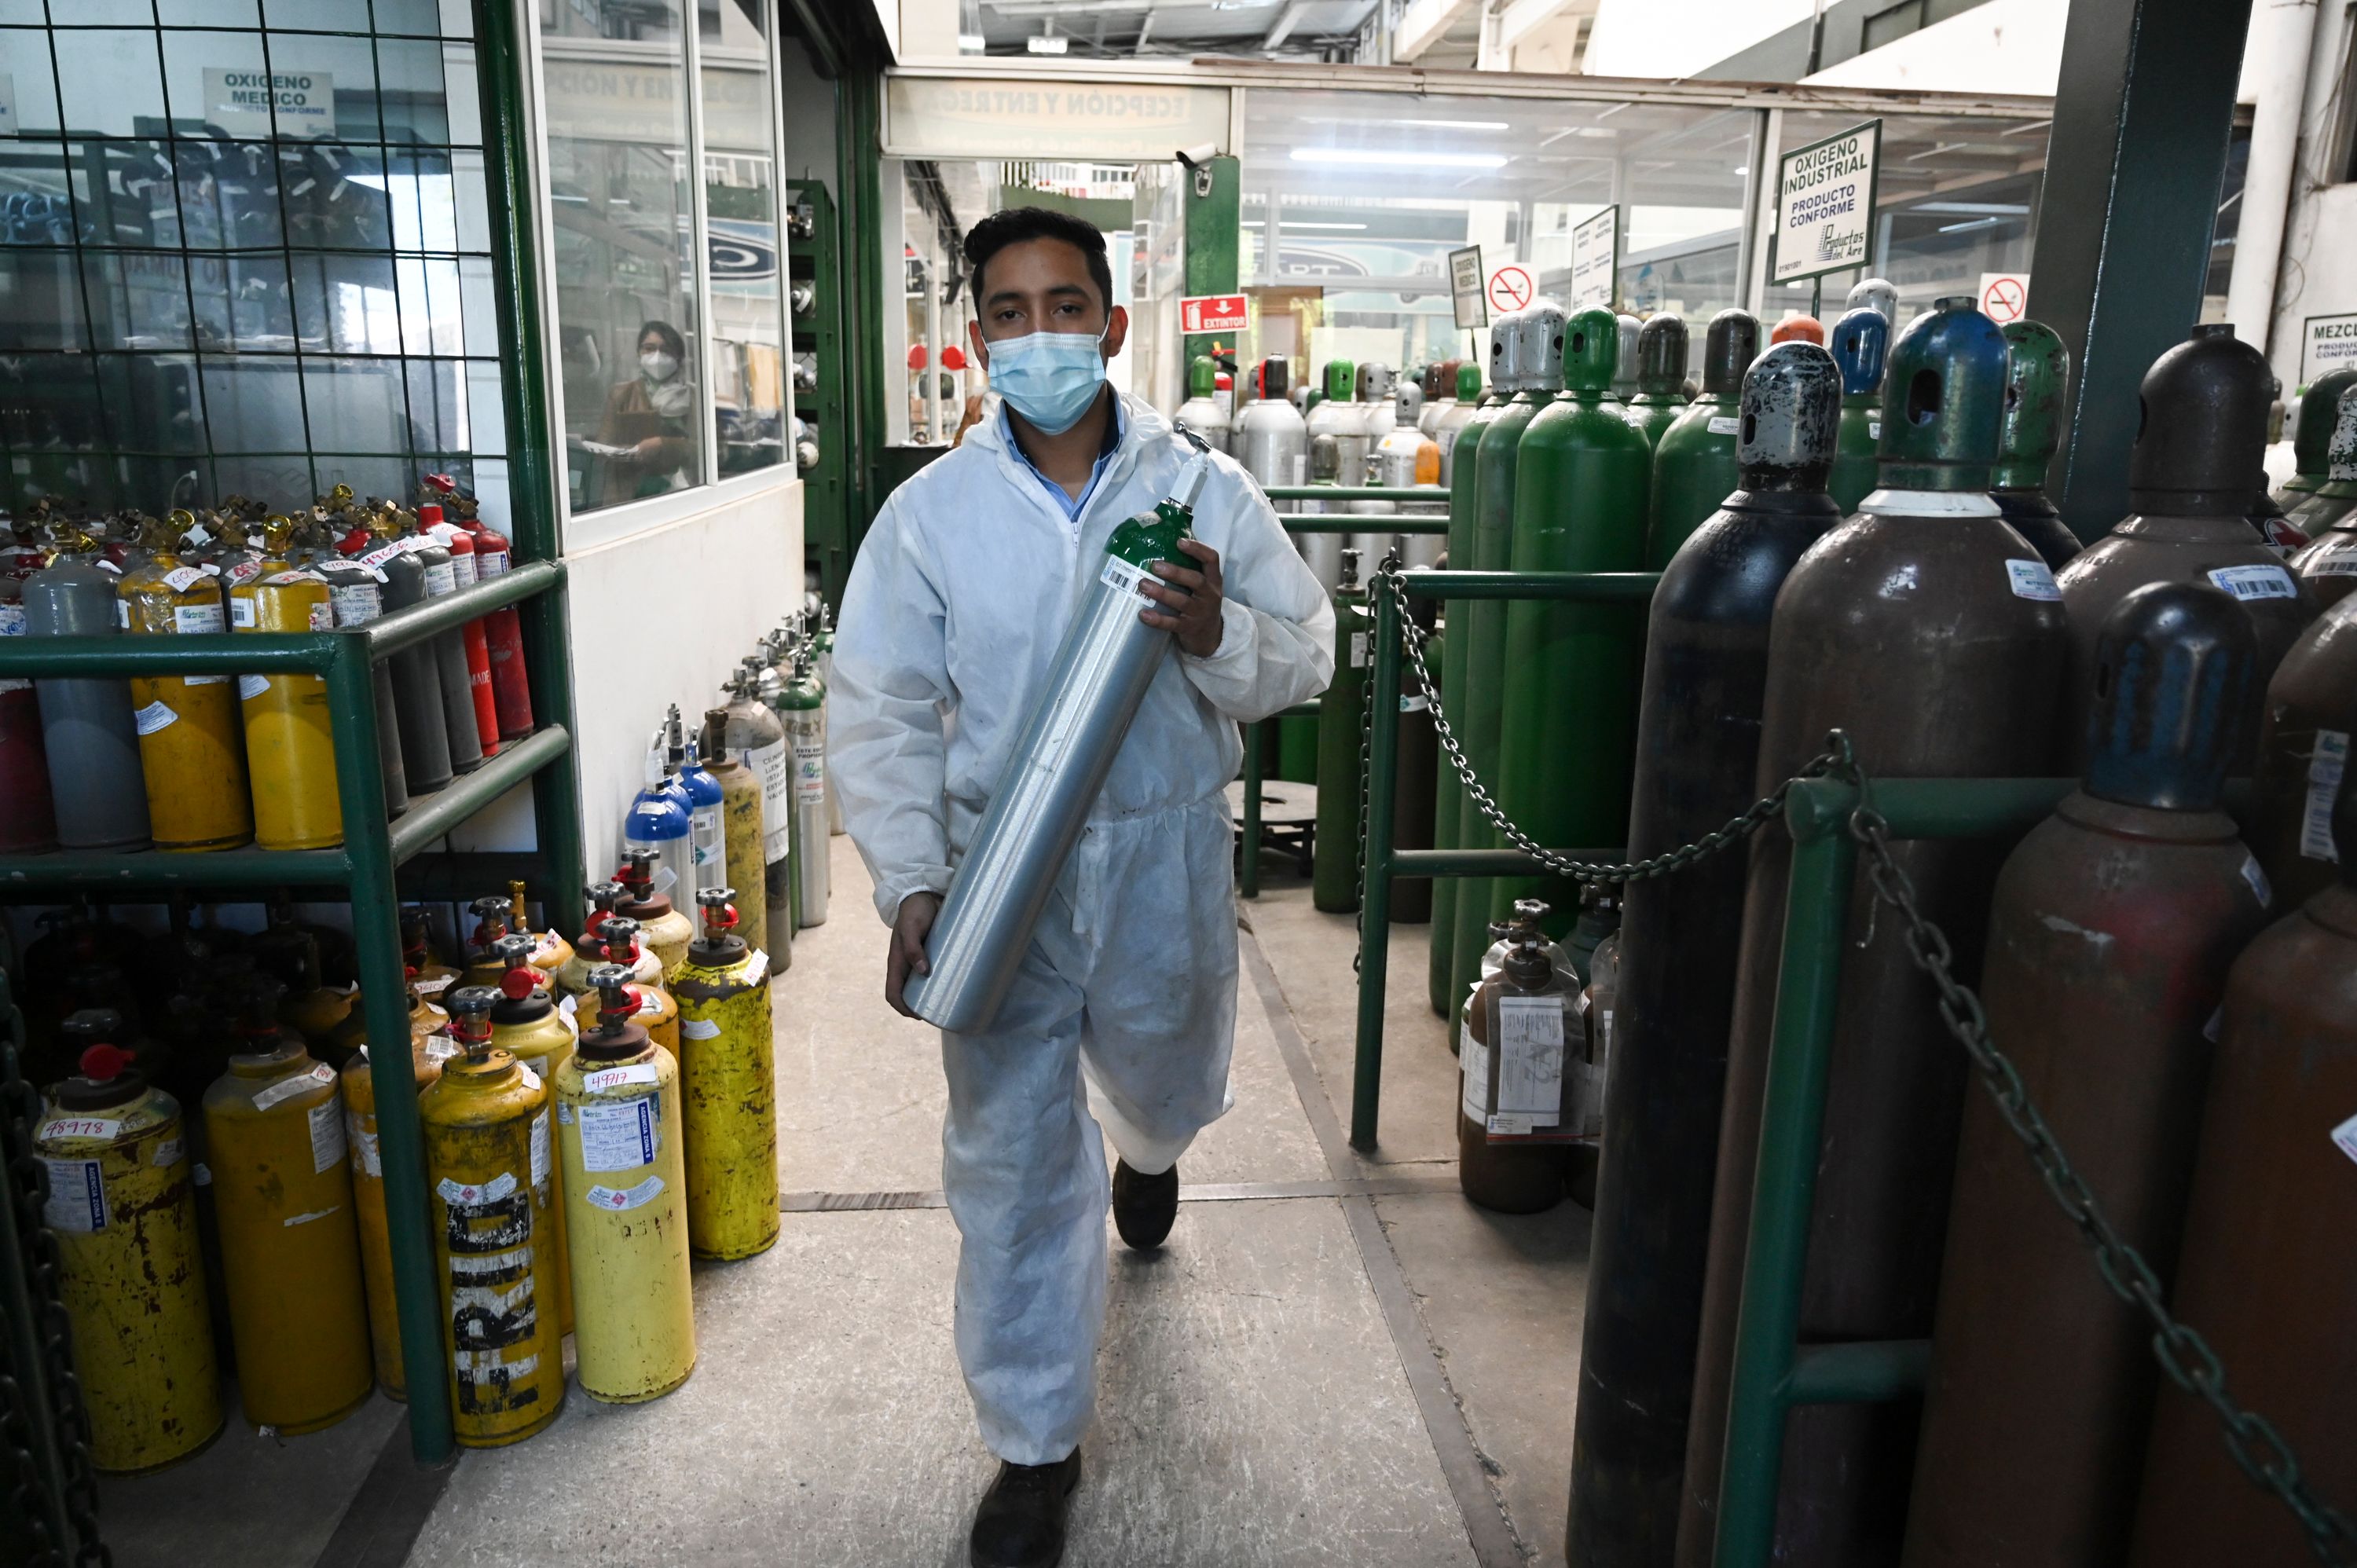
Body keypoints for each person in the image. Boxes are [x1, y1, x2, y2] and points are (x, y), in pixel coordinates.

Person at [830, 207, 1333, 1568]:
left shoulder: (1201, 491)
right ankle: (1034, 1447)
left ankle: (1150, 1151)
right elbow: (876, 708)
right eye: (1009, 309)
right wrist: (913, 884)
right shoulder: (929, 518)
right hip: (1004, 870)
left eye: (1066, 305)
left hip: (1160, 853)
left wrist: (1221, 630)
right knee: (1007, 1161)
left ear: (1113, 327)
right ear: (975, 335)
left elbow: (1310, 656)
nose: (1038, 332)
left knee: (1164, 1072)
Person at [592, 320, 695, 500]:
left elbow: (702, 450)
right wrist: (633, 452)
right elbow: (603, 449)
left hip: (683, 493)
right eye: (649, 348)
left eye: (666, 350)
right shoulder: (621, 394)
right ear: (639, 353)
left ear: (678, 357)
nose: (657, 356)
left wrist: (663, 445)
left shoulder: (692, 398)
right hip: (633, 496)